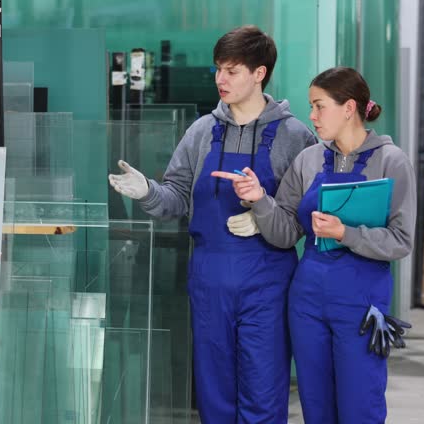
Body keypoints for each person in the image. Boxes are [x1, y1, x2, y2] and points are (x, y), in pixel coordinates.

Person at [108, 25, 317, 423]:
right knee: (213, 391)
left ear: (259, 73)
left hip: (267, 281)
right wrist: (146, 192)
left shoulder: (295, 138)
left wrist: (264, 218)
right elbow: (175, 199)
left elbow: (303, 218)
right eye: (218, 69)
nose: (221, 79)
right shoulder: (202, 132)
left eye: (232, 70)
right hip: (208, 278)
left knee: (263, 387)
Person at [212, 66, 416, 423]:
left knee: (359, 408)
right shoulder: (308, 160)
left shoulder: (390, 161)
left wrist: (345, 233)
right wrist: (260, 200)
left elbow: (401, 240)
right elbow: (287, 231)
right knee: (315, 407)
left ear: (349, 108)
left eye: (320, 106)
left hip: (360, 304)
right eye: (311, 106)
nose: (312, 116)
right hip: (306, 301)